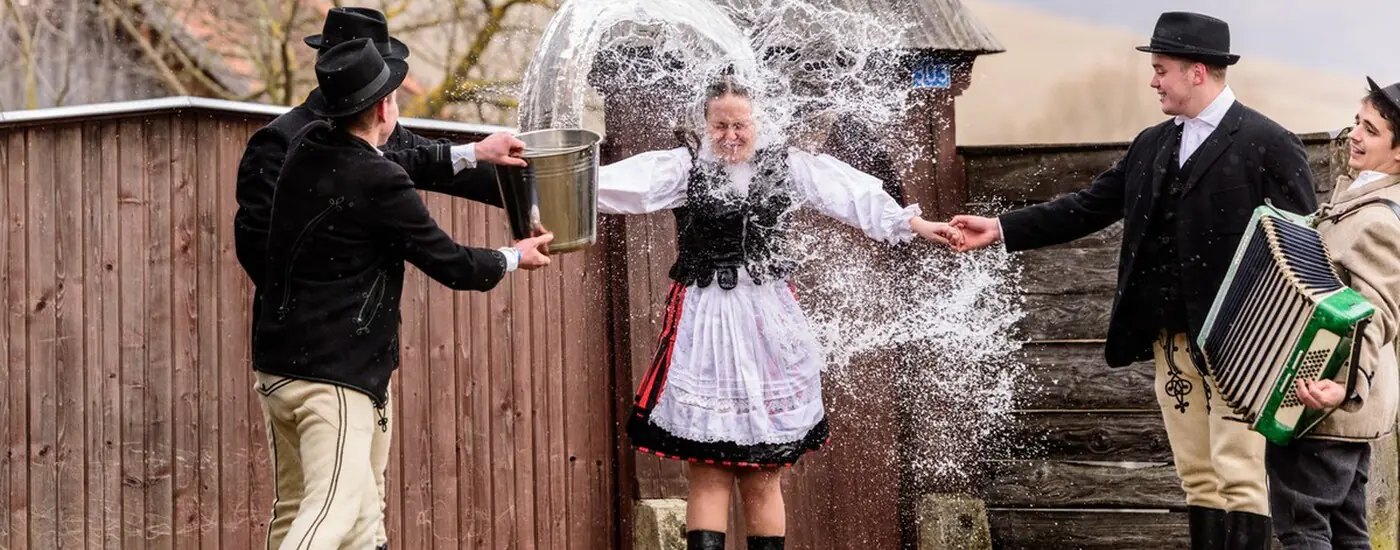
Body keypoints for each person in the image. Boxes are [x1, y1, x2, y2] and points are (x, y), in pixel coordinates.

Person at [948, 11, 1317, 549]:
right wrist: (1002, 228)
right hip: (1172, 344)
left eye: (1161, 69)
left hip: (1245, 343)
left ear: (1196, 72)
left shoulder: (1269, 143)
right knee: (1197, 475)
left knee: (1239, 475)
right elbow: (1087, 206)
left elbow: (1302, 247)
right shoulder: (1152, 144)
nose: (1153, 81)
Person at [597, 73, 961, 550]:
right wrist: (541, 185)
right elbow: (610, 186)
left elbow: (853, 196)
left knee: (764, 474)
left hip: (768, 322)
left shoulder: (788, 166)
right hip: (705, 320)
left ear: (759, 122)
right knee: (708, 471)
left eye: (740, 126)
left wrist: (915, 224)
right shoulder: (683, 168)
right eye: (720, 126)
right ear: (704, 124)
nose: (730, 136)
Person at [231, 8, 528, 549]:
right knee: (332, 514)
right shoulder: (283, 144)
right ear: (381, 101)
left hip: (320, 361)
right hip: (332, 365)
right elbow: (445, 257)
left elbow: (403, 160)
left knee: (346, 515)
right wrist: (513, 255)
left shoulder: (314, 144)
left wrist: (483, 158)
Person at [1270, 77, 1400, 550]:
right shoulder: (1356, 199)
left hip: (1327, 403)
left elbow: (1377, 311)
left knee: (1302, 528)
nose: (1354, 136)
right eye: (1356, 122)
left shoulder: (1380, 219)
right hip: (1339, 408)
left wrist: (1344, 386)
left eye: (1370, 130)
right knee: (1347, 534)